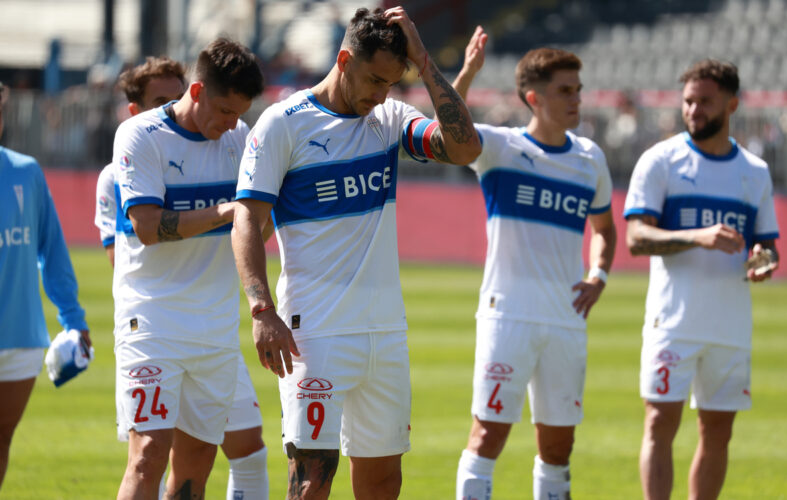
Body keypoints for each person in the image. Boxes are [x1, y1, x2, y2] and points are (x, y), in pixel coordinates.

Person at [231, 6, 481, 499]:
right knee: (310, 483)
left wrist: (426, 65)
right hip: (315, 334)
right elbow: (246, 220)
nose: (380, 93)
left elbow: (464, 149)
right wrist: (261, 308)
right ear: (343, 59)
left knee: (384, 483)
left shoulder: (388, 120)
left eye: (391, 83)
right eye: (373, 79)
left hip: (384, 334)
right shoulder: (284, 124)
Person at [451, 28, 617, 500]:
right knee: (488, 437)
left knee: (559, 447)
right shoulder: (500, 148)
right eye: (565, 90)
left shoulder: (590, 160)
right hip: (509, 316)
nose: (576, 99)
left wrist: (598, 275)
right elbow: (448, 127)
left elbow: (604, 228)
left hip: (566, 319)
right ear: (533, 98)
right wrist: (466, 74)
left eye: (578, 90)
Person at [95, 56, 269, 499]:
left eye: (240, 113)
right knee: (148, 454)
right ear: (197, 92)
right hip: (152, 322)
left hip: (214, 331)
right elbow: (148, 228)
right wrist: (228, 212)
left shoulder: (239, 137)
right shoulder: (140, 135)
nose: (232, 124)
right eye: (226, 110)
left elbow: (256, 229)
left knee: (195, 466)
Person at [623, 59, 780, 500]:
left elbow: (766, 244)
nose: (694, 110)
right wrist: (698, 236)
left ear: (731, 104)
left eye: (705, 102)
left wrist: (762, 260)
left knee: (718, 432)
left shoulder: (755, 171)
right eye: (688, 101)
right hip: (672, 323)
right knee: (659, 424)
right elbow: (636, 238)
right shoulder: (661, 161)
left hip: (729, 326)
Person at [0, 81, 91, 490]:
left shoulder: (25, 172)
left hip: (21, 340)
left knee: (2, 442)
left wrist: (73, 319)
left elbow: (51, 251)